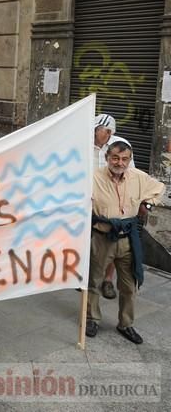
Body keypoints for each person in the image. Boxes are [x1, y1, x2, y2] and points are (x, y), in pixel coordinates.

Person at [85, 141, 164, 345]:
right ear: (107, 158)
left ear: (129, 159)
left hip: (128, 239)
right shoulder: (93, 177)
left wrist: (147, 203)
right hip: (102, 238)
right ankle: (92, 318)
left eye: (124, 159)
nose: (120, 163)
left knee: (130, 285)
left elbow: (159, 188)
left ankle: (126, 324)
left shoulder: (138, 177)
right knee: (94, 281)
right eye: (115, 158)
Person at [92, 113, 134, 300]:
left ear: (108, 132)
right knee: (93, 241)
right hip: (91, 199)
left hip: (114, 200)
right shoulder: (87, 143)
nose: (94, 134)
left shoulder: (121, 146)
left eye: (98, 131)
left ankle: (108, 280)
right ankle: (91, 275)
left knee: (112, 239)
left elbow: (131, 173)